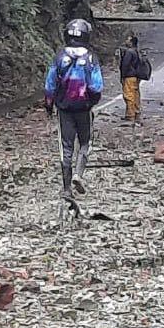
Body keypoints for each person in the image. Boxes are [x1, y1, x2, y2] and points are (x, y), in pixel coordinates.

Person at [44, 18, 104, 209]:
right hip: (83, 108)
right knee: (86, 142)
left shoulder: (59, 56)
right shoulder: (91, 58)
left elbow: (50, 84)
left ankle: (66, 188)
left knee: (66, 146)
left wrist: (49, 104)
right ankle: (79, 173)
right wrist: (91, 102)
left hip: (64, 109)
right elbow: (96, 86)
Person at [119, 35, 143, 124]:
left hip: (129, 76)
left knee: (129, 95)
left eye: (128, 40)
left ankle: (130, 115)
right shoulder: (137, 51)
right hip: (136, 77)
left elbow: (125, 65)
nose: (126, 41)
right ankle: (136, 114)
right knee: (136, 95)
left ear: (131, 42)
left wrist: (122, 76)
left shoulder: (129, 52)